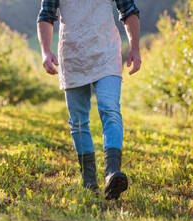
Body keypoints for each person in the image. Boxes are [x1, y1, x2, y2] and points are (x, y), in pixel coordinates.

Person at [37, 0, 141, 200]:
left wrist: (135, 48)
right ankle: (89, 182)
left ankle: (112, 175)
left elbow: (128, 11)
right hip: (72, 54)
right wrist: (45, 51)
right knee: (77, 121)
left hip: (106, 53)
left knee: (109, 108)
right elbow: (46, 15)